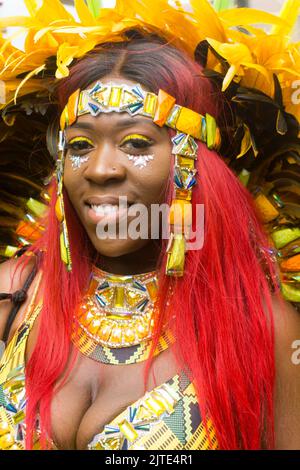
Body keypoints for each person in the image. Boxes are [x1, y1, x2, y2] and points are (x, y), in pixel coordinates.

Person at [0, 0, 300, 451]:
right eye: (80, 145)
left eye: (136, 143)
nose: (100, 169)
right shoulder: (13, 294)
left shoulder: (262, 327)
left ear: (191, 163)